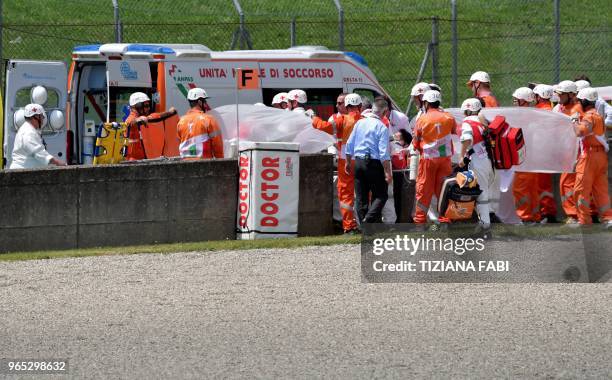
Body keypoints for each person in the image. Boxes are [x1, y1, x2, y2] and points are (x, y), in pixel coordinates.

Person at [411, 90, 456, 229]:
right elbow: (454, 131)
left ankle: (420, 222)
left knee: (423, 190)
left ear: (426, 103)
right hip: (445, 159)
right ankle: (445, 220)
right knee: (443, 190)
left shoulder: (422, 119)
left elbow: (415, 142)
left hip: (428, 159)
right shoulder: (448, 117)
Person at [344, 98, 392, 224]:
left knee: (361, 196)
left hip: (359, 162)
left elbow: (349, 144)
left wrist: (348, 162)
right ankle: (368, 220)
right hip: (374, 163)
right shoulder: (382, 127)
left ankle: (365, 227)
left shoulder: (360, 123)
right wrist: (387, 172)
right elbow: (383, 153)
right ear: (385, 111)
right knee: (381, 195)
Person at [571, 87, 612, 228]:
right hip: (600, 156)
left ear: (584, 101)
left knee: (581, 189)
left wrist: (574, 120)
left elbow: (579, 132)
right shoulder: (598, 116)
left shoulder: (589, 117)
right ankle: (608, 218)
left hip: (589, 157)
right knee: (601, 189)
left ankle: (584, 221)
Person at [458, 98, 493, 233]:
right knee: (485, 191)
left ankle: (485, 224)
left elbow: (466, 138)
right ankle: (485, 220)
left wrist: (461, 156)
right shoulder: (484, 121)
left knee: (481, 193)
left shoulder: (468, 122)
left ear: (467, 110)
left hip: (478, 161)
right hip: (490, 160)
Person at [553, 80, 583, 225]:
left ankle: (574, 215)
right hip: (566, 151)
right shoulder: (560, 108)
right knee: (568, 184)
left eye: (561, 94)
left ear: (570, 95)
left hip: (576, 152)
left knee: (568, 184)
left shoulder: (577, 109)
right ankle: (575, 215)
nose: (558, 97)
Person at [510, 87, 541, 224]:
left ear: (524, 101)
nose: (514, 101)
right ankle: (534, 216)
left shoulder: (522, 116)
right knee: (532, 189)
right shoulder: (534, 114)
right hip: (533, 157)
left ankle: (524, 217)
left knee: (520, 188)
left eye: (517, 99)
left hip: (523, 158)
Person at [10, 104, 66, 169]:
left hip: (26, 171)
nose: (43, 119)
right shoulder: (28, 132)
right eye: (42, 116)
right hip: (23, 172)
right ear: (36, 117)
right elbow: (38, 152)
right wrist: (58, 163)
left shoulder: (28, 129)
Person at [125, 92, 177, 160]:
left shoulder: (143, 118)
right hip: (133, 160)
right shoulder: (131, 119)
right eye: (146, 106)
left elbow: (155, 116)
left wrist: (170, 113)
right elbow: (131, 122)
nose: (149, 108)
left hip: (142, 159)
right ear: (138, 106)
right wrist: (139, 119)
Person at [532, 84, 557, 222]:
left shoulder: (538, 111)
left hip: (540, 152)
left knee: (541, 185)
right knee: (545, 184)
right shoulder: (552, 110)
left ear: (539, 97)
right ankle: (548, 211)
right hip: (549, 152)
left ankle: (546, 212)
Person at [176, 88, 223, 159]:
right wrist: (221, 163)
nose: (206, 104)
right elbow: (217, 146)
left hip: (185, 165)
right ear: (200, 102)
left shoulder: (181, 121)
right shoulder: (208, 119)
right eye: (205, 101)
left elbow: (179, 143)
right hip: (204, 165)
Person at [391, 129, 413, 222]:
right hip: (395, 174)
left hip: (403, 175)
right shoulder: (392, 146)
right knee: (396, 198)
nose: (395, 140)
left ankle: (403, 219)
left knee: (402, 198)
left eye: (398, 138)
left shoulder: (407, 150)